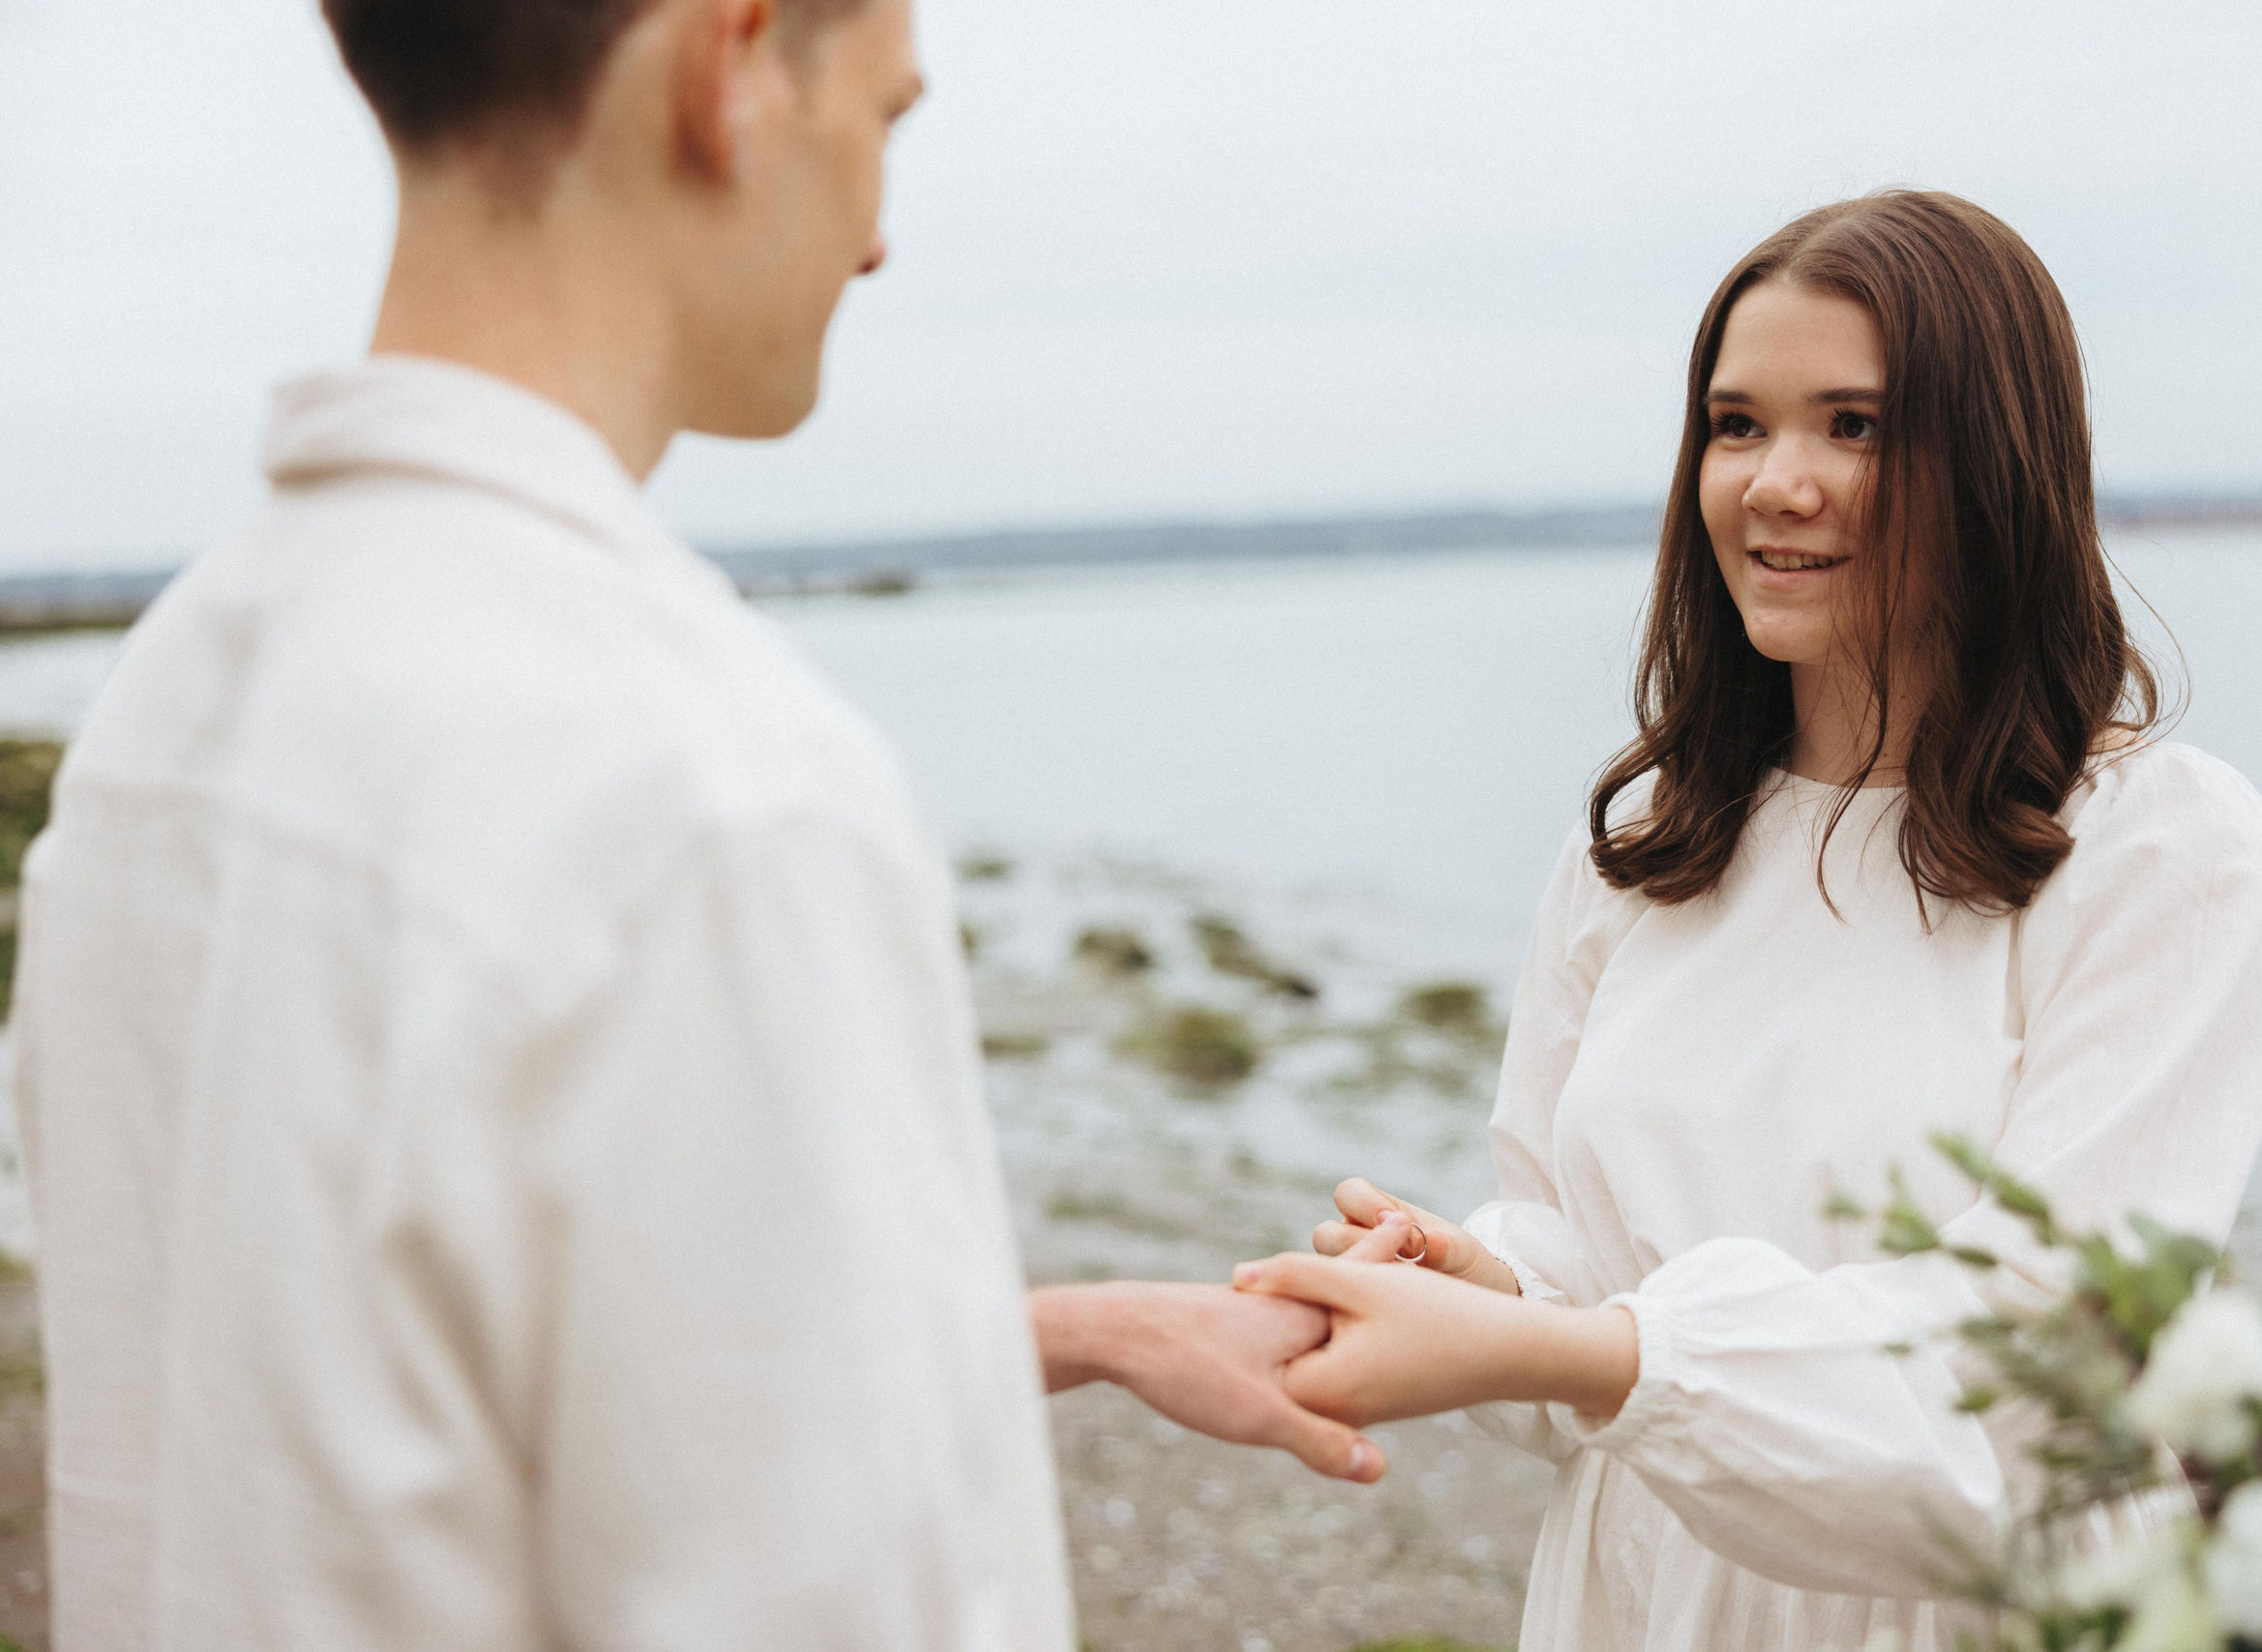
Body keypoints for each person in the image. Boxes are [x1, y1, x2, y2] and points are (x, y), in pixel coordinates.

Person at [12, 0, 1383, 1645]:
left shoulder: (168, 706)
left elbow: (364, 1394)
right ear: (732, 70)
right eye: (886, 117)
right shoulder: (710, 788)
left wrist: (1078, 1327)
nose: (877, 239)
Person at [1242, 192, 2262, 1650]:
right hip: (1644, 1594)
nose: (1774, 484)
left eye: (1855, 427)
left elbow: (2045, 1365)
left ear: (1999, 461)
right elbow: (1585, 1265)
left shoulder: (2158, 848)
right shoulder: (1646, 853)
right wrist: (1483, 1283)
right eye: (1735, 426)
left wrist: (1604, 1355)